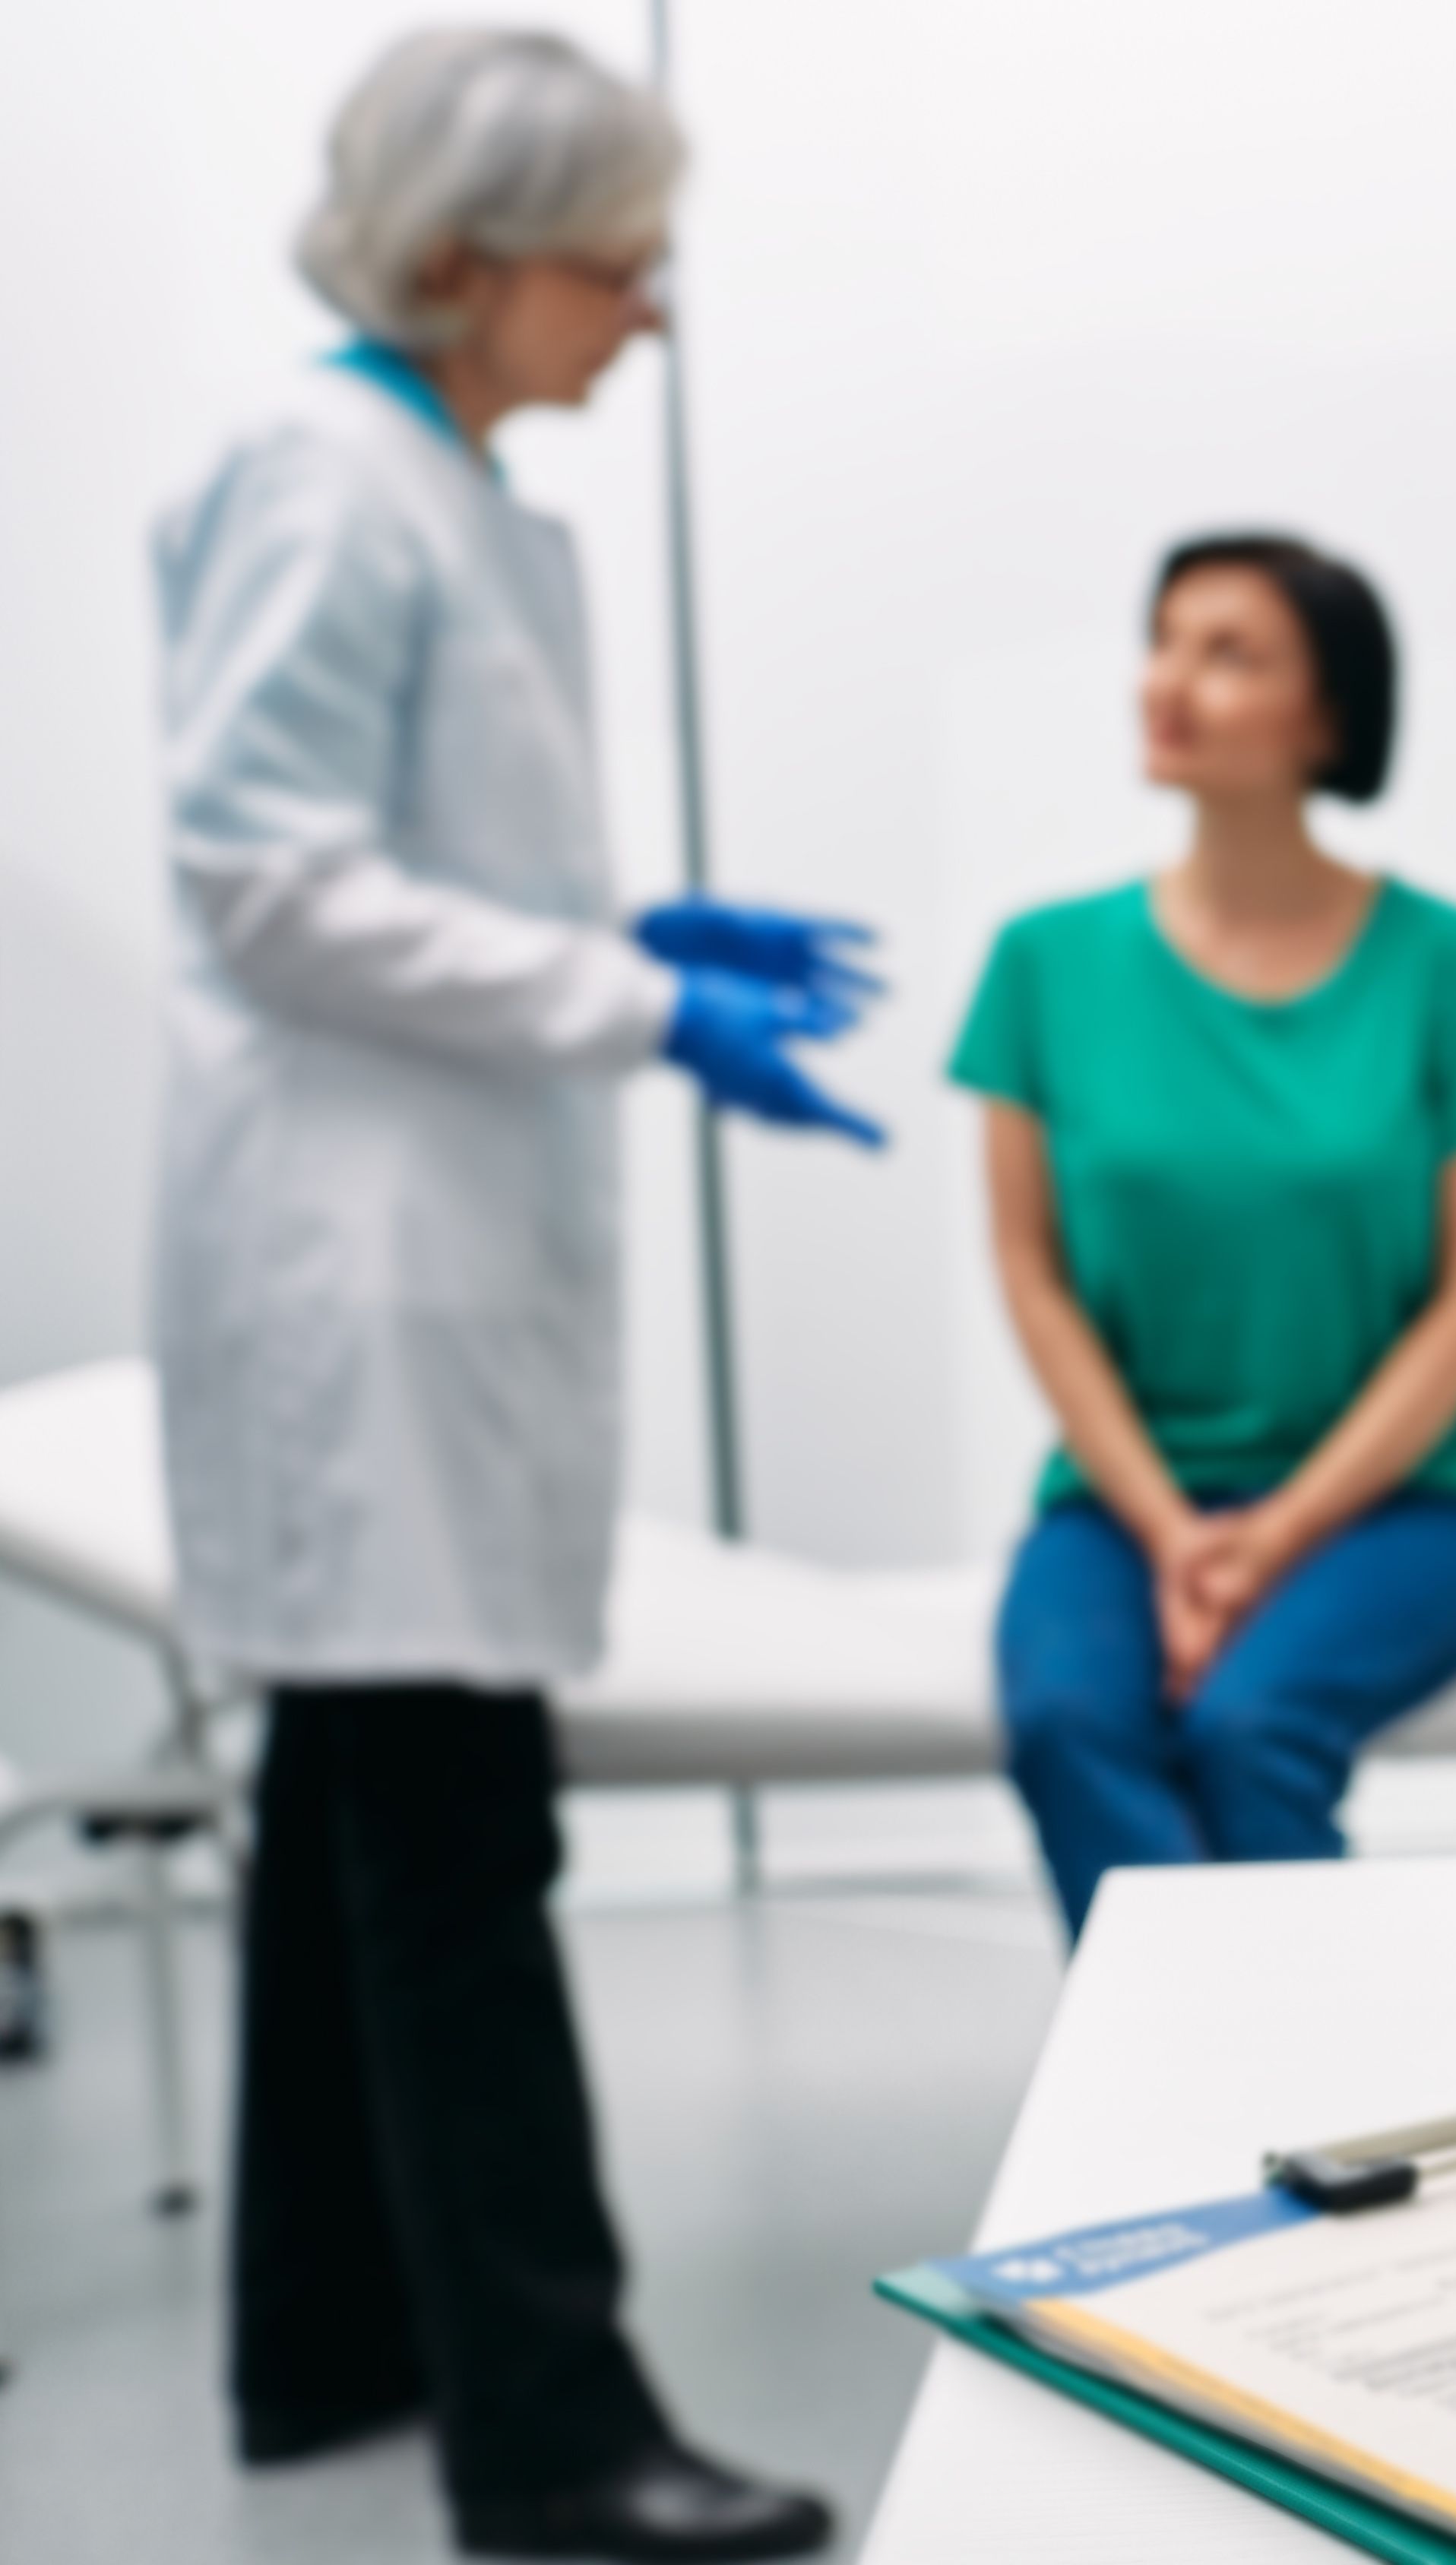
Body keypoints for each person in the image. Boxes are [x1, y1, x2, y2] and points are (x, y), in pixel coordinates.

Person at [154, 30, 872, 2559]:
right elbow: (264, 875)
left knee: (362, 1804)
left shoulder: (448, 491)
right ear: (465, 260)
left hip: (426, 1242)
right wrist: (630, 999)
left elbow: (395, 860)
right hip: (361, 1272)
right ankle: (558, 2438)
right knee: (454, 1842)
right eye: (621, 261)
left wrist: (618, 941)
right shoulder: (325, 483)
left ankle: (320, 2350)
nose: (651, 313)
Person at [954, 534, 1456, 1940]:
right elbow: (1035, 1282)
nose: (1169, 683)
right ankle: (1215, 2097)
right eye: (1165, 642)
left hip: (1407, 1503)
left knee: (1248, 1727)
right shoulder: (1043, 965)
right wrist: (1174, 1534)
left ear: (1329, 717)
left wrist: (1276, 1535)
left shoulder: (1452, 969)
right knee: (1064, 1718)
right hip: (1124, 1501)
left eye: (1231, 655)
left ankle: (1311, 2110)